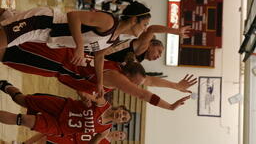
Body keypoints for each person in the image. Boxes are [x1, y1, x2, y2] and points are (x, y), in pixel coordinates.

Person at [0, 0, 151, 97]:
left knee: (4, 17)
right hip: (43, 22)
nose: (145, 29)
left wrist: (99, 82)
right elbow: (74, 16)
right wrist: (79, 46)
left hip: (45, 37)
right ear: (133, 20)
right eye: (144, 25)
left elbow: (99, 57)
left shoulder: (115, 38)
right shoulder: (109, 22)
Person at [1, 42, 194, 110]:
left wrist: (175, 86)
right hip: (56, 61)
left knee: (7, 49)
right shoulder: (116, 77)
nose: (133, 86)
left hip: (57, 60)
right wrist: (169, 106)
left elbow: (149, 80)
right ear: (128, 76)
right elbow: (143, 94)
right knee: (5, 53)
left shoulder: (121, 70)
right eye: (132, 83)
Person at [0, 81, 132, 140]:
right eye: (123, 113)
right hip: (62, 106)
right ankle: (5, 85)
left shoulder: (104, 130)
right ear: (120, 108)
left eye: (123, 118)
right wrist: (84, 98)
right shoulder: (103, 103)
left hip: (60, 127)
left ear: (119, 122)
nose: (121, 116)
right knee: (22, 100)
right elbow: (82, 92)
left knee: (24, 120)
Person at [21, 130, 126, 144]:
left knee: (46, 140)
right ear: (118, 130)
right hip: (73, 132)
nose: (119, 135)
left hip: (73, 143)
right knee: (46, 133)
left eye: (120, 137)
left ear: (118, 140)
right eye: (120, 133)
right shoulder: (105, 129)